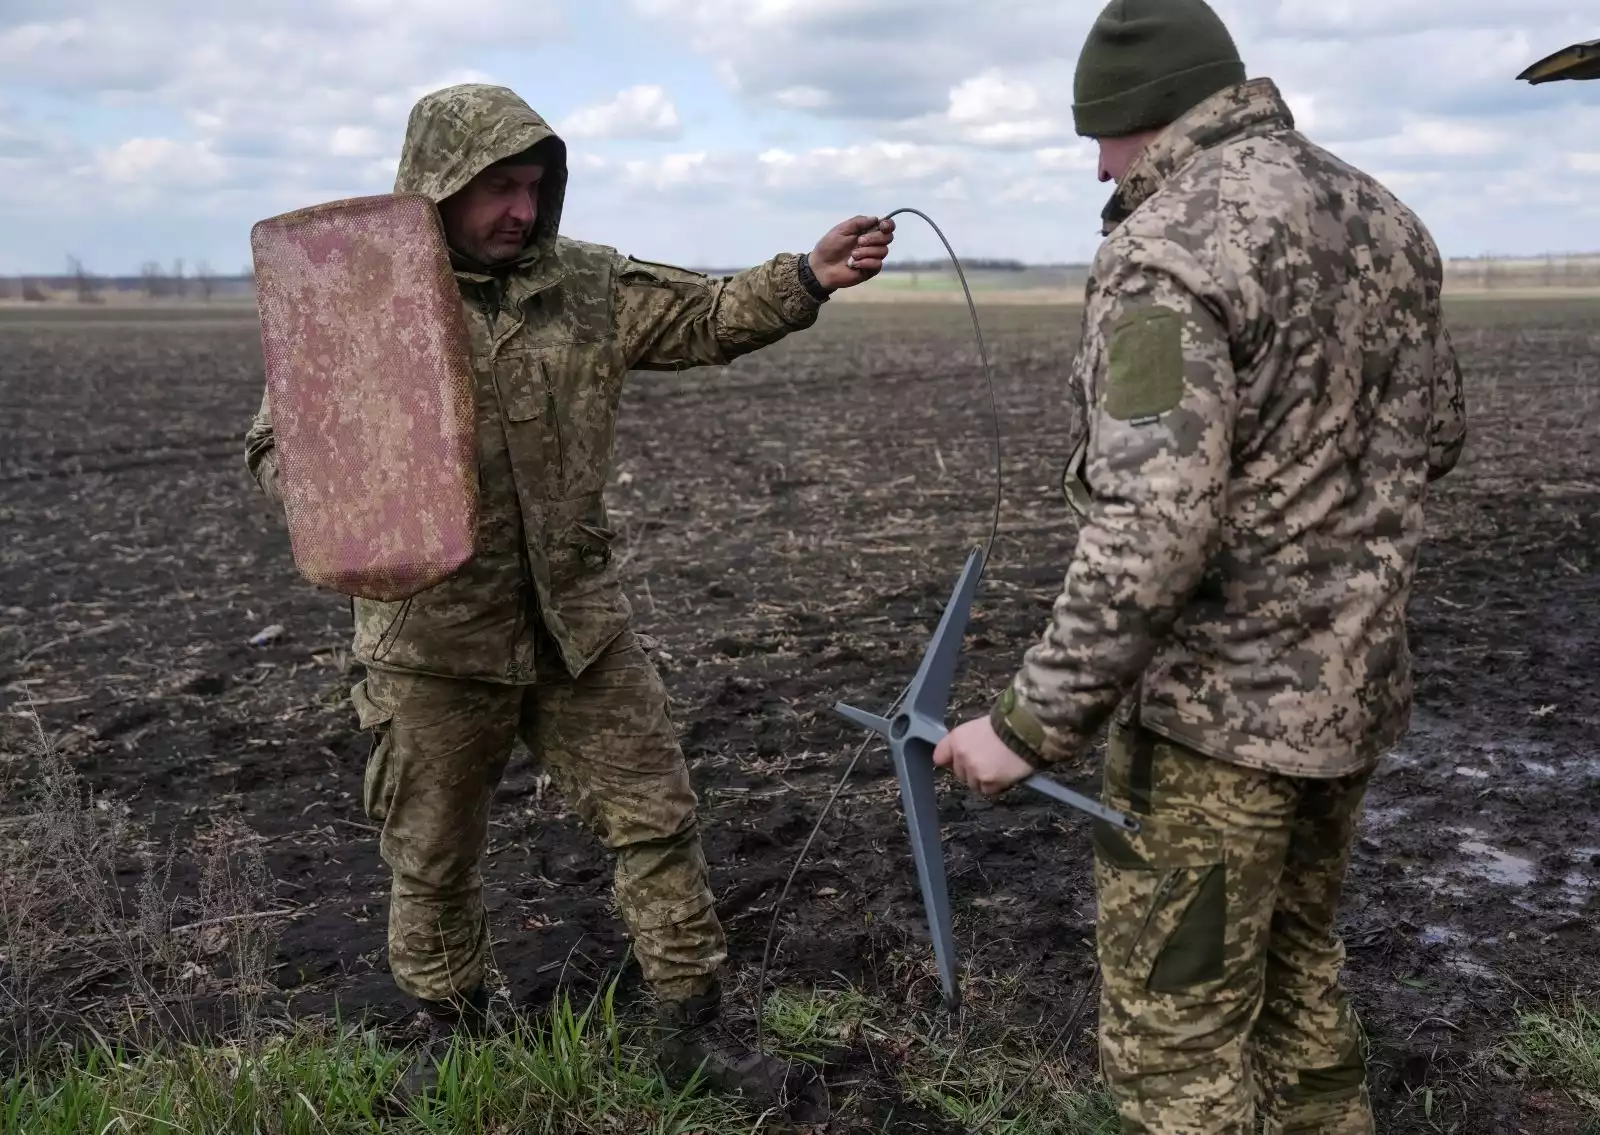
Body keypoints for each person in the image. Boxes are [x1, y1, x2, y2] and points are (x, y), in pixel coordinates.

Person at [243, 82, 894, 1110]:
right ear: (437, 185)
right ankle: (453, 1036)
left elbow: (705, 315)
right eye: (497, 186)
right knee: (431, 852)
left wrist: (806, 276)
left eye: (534, 187)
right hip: (432, 637)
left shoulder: (583, 283)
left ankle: (688, 1030)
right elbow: (281, 447)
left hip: (577, 626)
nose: (520, 209)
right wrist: (356, 495)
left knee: (657, 817)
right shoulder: (361, 298)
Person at [932, 1, 1466, 1132]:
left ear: (1147, 112)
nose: (1099, 167)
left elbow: (1152, 524)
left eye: (1102, 137)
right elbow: (1439, 437)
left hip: (1212, 732)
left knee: (1174, 1045)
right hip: (1353, 703)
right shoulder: (1388, 219)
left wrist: (1026, 726)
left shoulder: (1166, 247)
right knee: (1299, 982)